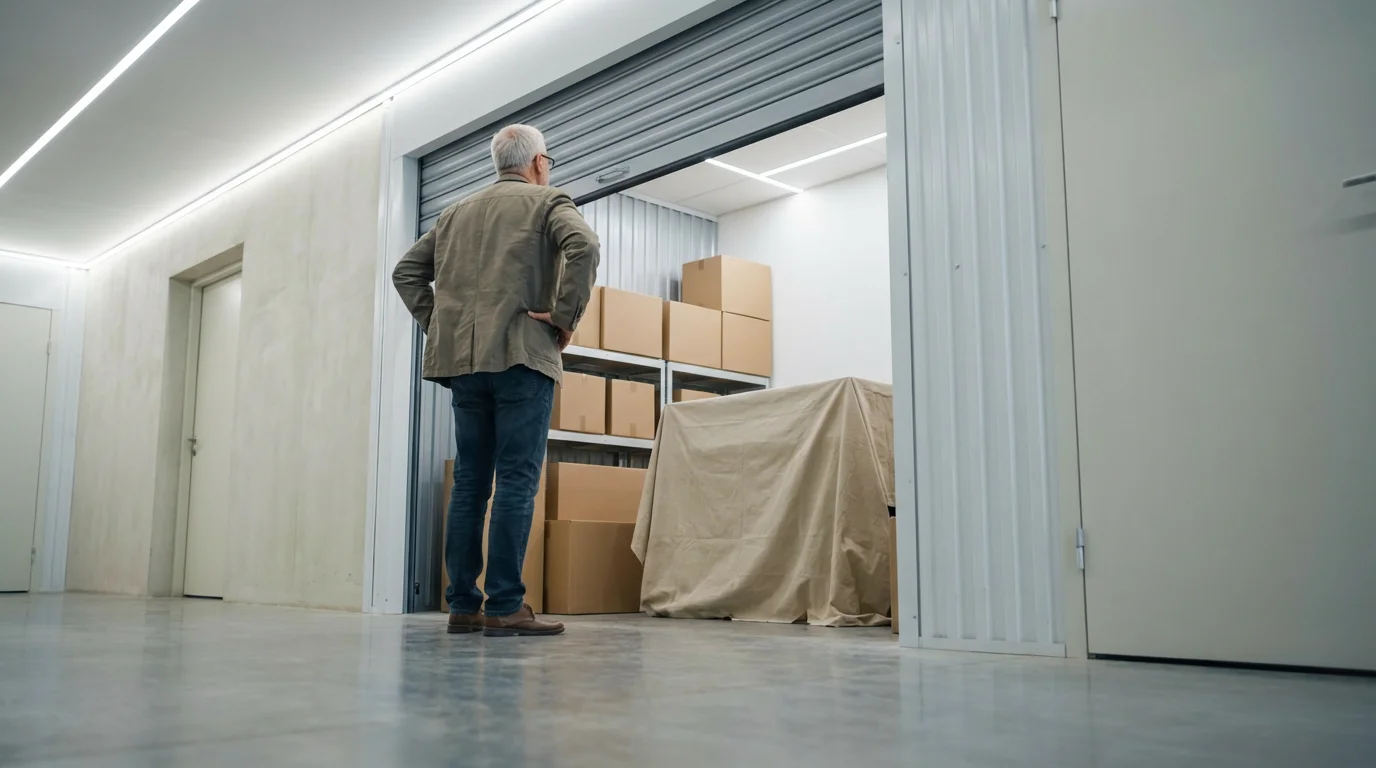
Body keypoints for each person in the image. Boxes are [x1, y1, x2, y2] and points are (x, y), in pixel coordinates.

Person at [392, 124, 599, 637]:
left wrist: (442, 327)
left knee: (469, 485)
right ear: (539, 163)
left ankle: (463, 606)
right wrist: (565, 317)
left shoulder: (454, 213)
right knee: (515, 482)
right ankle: (506, 606)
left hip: (466, 367)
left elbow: (406, 273)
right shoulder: (549, 201)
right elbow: (586, 246)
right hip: (523, 358)